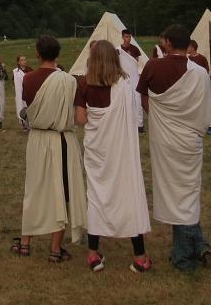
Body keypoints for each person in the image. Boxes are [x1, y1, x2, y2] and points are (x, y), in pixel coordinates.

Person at [137, 25, 211, 272]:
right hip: (190, 139)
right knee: (188, 191)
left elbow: (142, 96)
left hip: (164, 139)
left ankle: (184, 254)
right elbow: (204, 109)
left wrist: (159, 117)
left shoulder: (153, 66)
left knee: (176, 193)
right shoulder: (201, 73)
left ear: (168, 43)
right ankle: (198, 247)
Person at [76, 40, 151, 273]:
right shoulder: (124, 83)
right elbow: (131, 114)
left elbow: (80, 119)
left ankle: (92, 254)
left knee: (97, 196)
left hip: (97, 149)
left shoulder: (84, 84)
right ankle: (139, 256)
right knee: (127, 195)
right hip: (120, 150)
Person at [16, 35, 87, 263]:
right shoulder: (69, 81)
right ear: (57, 54)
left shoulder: (28, 79)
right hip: (63, 140)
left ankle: (25, 244)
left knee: (34, 189)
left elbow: (29, 108)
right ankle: (55, 249)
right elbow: (78, 118)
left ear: (37, 54)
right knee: (62, 193)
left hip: (38, 140)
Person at [187, 40, 211, 135]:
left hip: (201, 85)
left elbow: (206, 71)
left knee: (204, 104)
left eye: (188, 46)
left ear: (192, 47)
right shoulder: (186, 59)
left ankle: (210, 126)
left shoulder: (202, 58)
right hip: (191, 86)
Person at [13, 55, 31, 132]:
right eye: (22, 60)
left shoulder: (29, 70)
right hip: (20, 93)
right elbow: (15, 83)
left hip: (28, 92)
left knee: (29, 107)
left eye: (24, 60)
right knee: (22, 107)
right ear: (18, 62)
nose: (24, 61)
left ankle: (30, 124)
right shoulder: (15, 71)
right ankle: (24, 125)